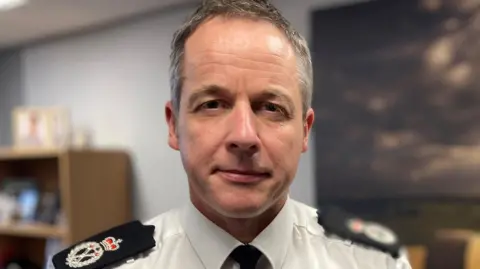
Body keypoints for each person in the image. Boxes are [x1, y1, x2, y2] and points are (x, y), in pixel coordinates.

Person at [53, 1, 412, 268]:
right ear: (173, 124)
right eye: (212, 104)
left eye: (271, 107)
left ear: (305, 131)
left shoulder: (373, 261)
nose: (244, 136)